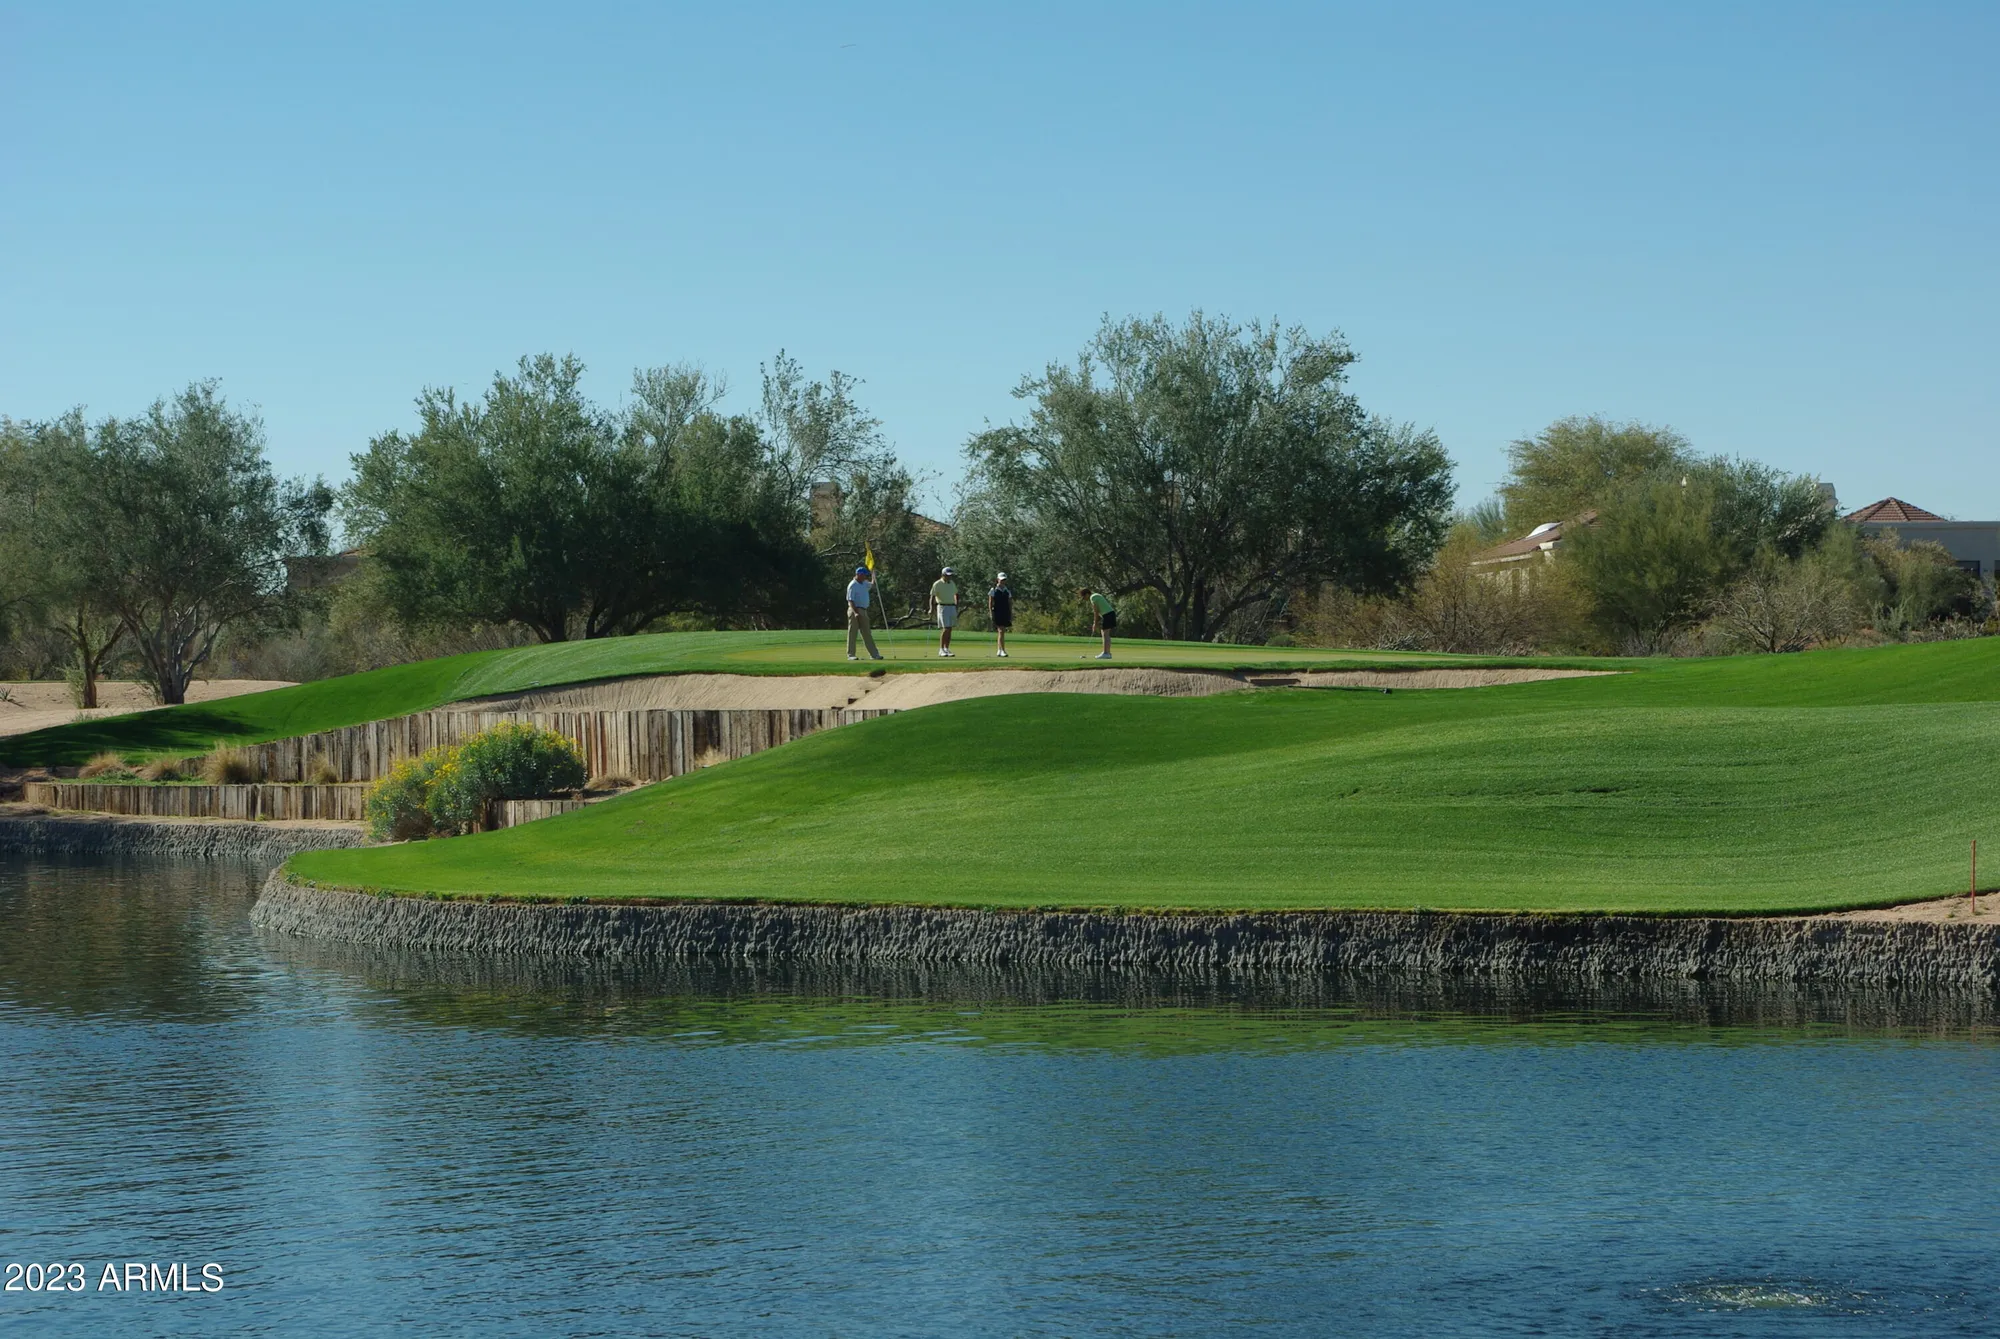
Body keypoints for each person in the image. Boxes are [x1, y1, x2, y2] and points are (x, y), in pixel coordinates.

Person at [845, 566, 883, 661]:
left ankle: (874, 655)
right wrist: (856, 613)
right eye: (864, 575)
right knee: (852, 633)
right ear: (858, 574)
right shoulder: (852, 585)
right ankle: (851, 655)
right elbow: (850, 601)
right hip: (854, 610)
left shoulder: (864, 583)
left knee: (867, 633)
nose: (865, 577)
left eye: (866, 575)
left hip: (864, 610)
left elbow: (873, 585)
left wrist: (873, 575)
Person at [929, 565, 960, 657]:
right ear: (943, 574)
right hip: (942, 607)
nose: (949, 577)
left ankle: (946, 649)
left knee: (950, 629)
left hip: (951, 606)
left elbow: (956, 594)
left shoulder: (952, 583)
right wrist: (931, 609)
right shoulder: (937, 584)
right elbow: (932, 597)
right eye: (947, 575)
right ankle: (941, 649)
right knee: (945, 628)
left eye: (950, 575)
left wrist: (956, 604)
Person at [1079, 586, 1116, 658]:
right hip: (1109, 614)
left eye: (1084, 597)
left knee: (1105, 634)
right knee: (1105, 633)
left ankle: (1106, 653)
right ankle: (1107, 653)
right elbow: (1099, 611)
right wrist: (1096, 622)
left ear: (1087, 594)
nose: (1084, 599)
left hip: (1108, 615)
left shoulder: (1092, 597)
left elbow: (1096, 612)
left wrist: (1094, 623)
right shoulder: (1095, 595)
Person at [987, 571, 1014, 657]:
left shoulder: (1007, 591)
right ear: (997, 580)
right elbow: (990, 603)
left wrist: (1011, 613)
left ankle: (999, 650)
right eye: (1001, 580)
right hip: (997, 612)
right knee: (1001, 630)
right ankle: (1002, 650)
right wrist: (991, 613)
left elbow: (1010, 603)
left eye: (1004, 580)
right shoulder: (993, 590)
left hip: (1005, 612)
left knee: (1001, 631)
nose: (1003, 581)